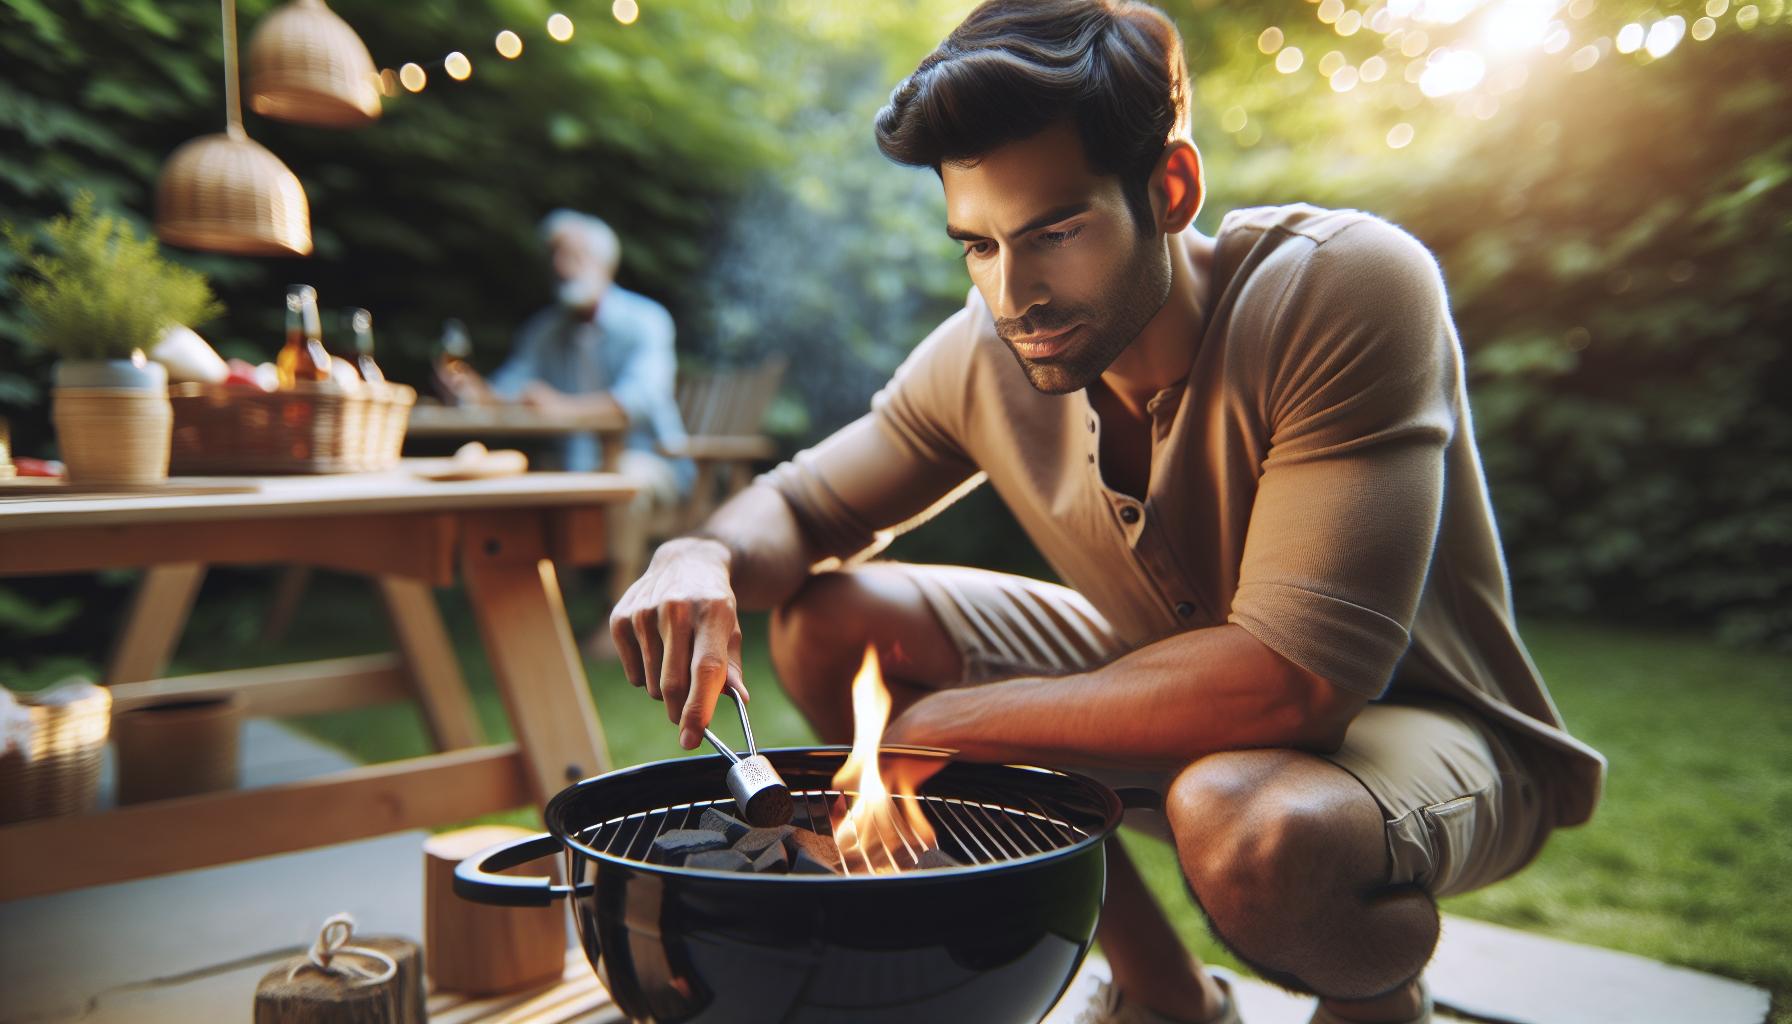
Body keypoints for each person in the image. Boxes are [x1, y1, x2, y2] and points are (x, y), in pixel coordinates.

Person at [609, 3, 1606, 1023]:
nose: (1015, 294)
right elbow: (800, 508)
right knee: (828, 624)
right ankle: (1163, 1001)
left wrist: (948, 726)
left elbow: (1289, 683)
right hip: (1164, 684)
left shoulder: (1341, 287)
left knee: (1254, 828)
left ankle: (1375, 1000)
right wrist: (697, 555)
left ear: (1169, 189)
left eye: (1055, 230)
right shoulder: (986, 347)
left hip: (1422, 732)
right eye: (978, 245)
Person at [491, 210, 693, 604]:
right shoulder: (546, 331)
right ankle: (543, 603)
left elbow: (636, 400)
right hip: (574, 462)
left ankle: (623, 610)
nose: (560, 266)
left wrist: (560, 408)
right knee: (521, 478)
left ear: (604, 262)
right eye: (555, 256)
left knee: (623, 479)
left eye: (573, 255)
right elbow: (508, 385)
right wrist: (477, 392)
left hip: (653, 459)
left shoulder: (646, 320)